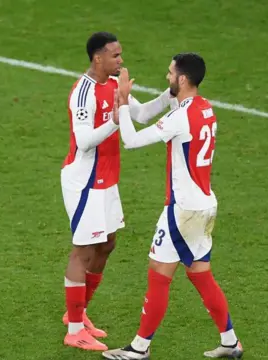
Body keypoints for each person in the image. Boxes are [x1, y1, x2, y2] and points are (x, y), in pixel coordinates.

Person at [102, 54, 243, 359]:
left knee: (159, 273)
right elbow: (145, 113)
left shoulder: (180, 116)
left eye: (169, 74)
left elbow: (131, 139)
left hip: (182, 211)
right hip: (205, 205)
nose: (166, 77)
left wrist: (122, 103)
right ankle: (230, 342)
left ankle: (139, 348)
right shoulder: (205, 108)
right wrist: (125, 94)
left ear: (182, 79)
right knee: (200, 273)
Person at [61, 32, 176, 351]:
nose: (121, 60)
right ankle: (73, 330)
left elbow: (140, 114)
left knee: (107, 244)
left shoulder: (114, 84)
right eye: (115, 55)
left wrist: (171, 94)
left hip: (107, 179)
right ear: (97, 58)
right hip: (84, 180)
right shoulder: (83, 93)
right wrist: (114, 119)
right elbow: (83, 141)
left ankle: (79, 313)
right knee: (83, 250)